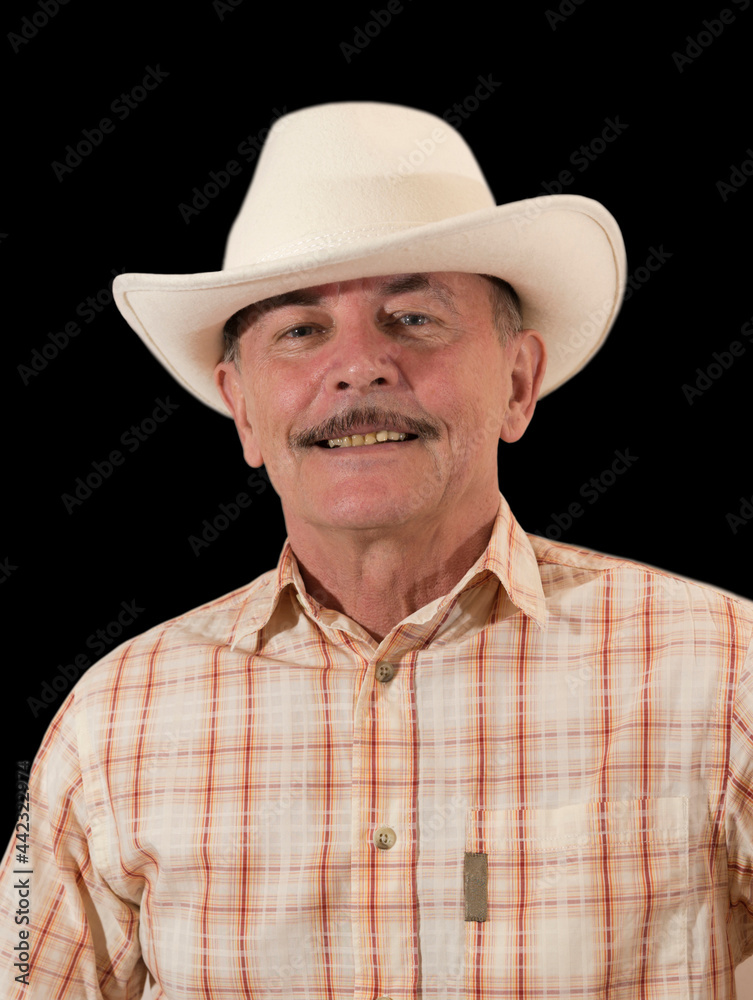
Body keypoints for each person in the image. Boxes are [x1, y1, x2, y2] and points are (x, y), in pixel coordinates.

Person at [1, 100, 752, 999]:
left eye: (413, 319)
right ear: (242, 409)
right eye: (300, 331)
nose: (358, 366)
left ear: (517, 384)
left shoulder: (725, 674)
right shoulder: (110, 724)